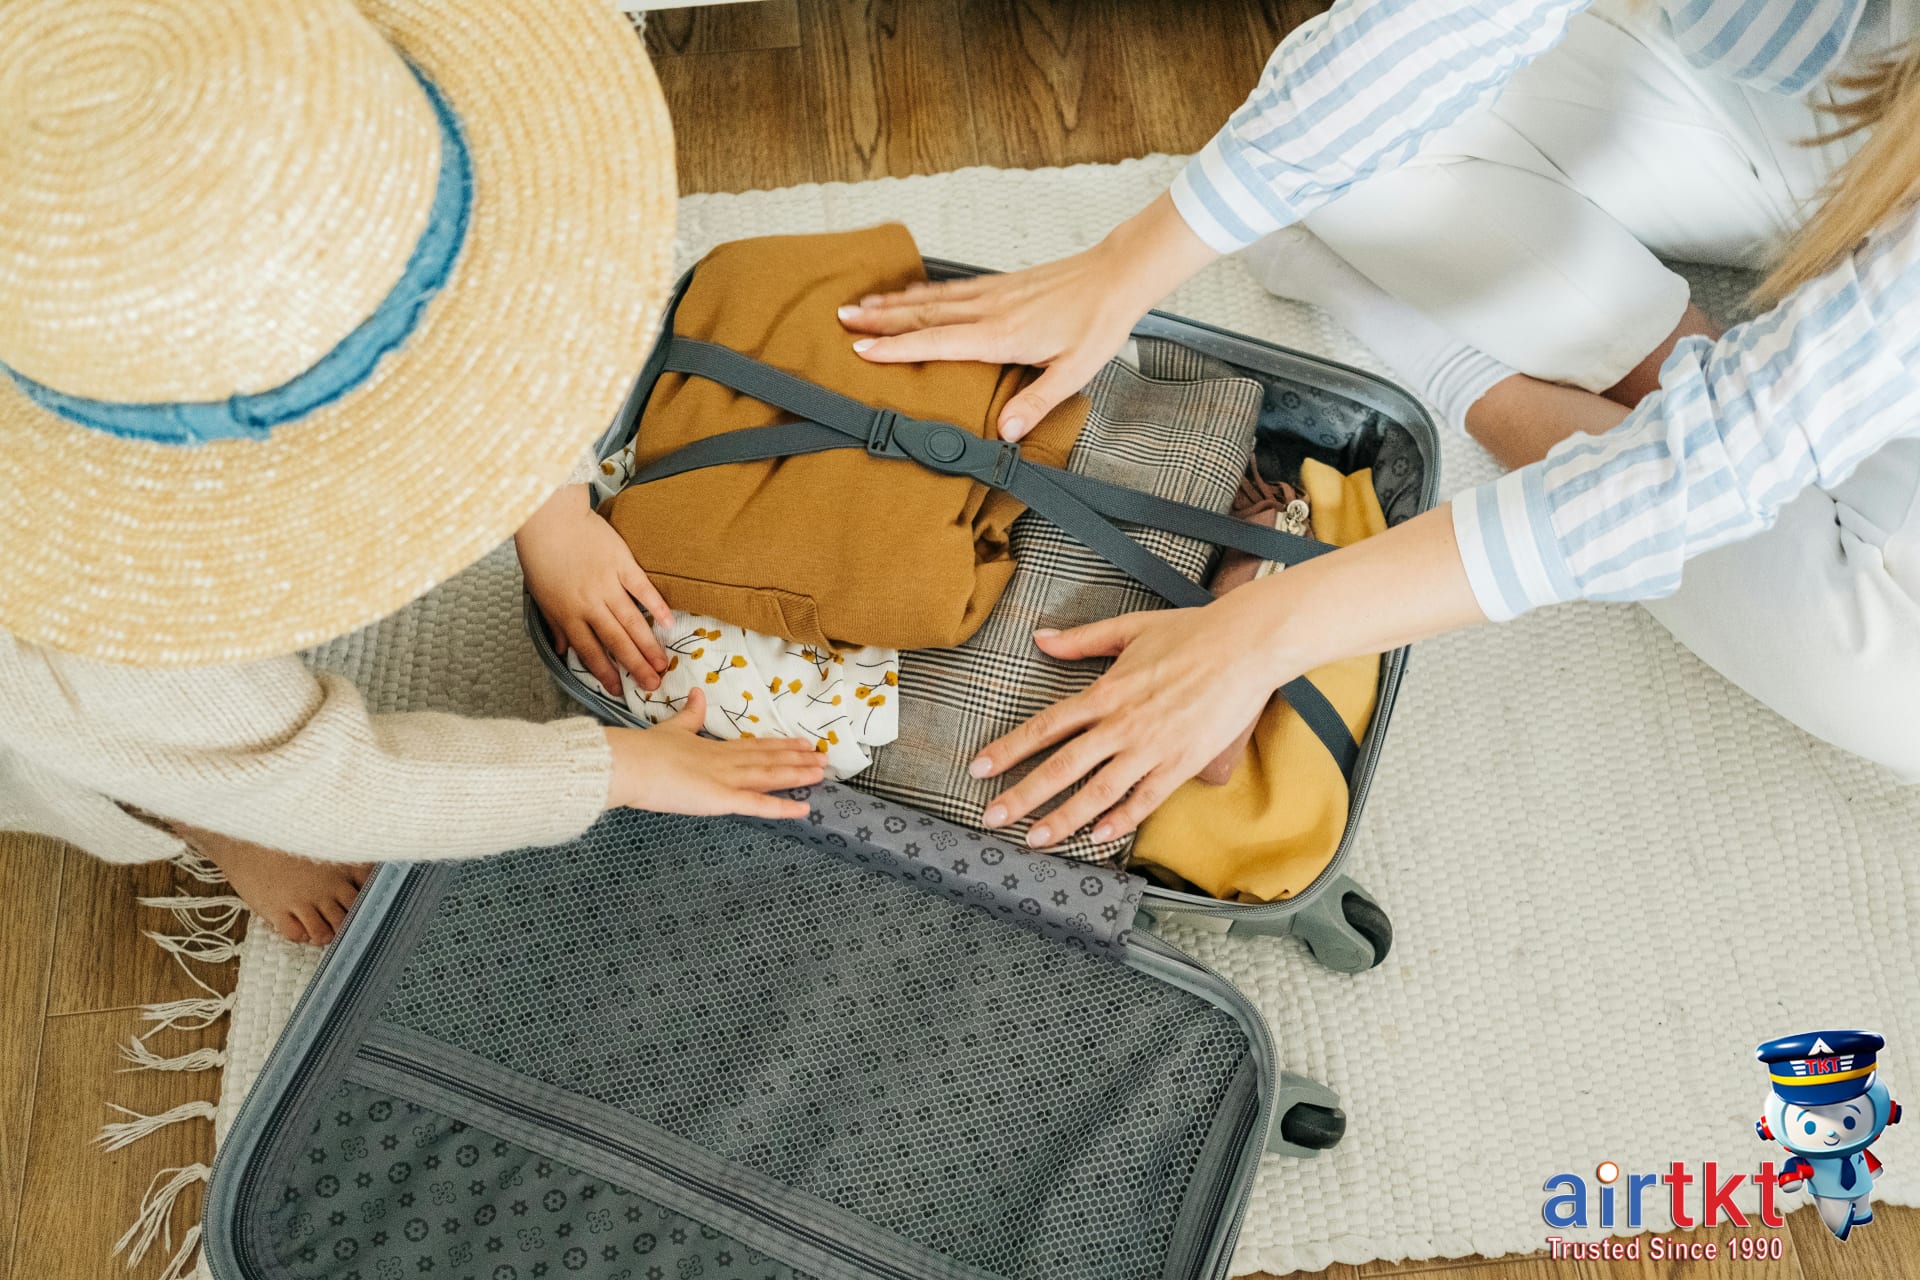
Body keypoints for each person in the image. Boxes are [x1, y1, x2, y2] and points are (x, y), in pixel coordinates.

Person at [841, 0, 1920, 849]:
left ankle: (1442, 353)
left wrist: (1267, 628)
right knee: (1354, 155)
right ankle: (1710, 384)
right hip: (1819, 100)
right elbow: (1444, 20)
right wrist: (1129, 259)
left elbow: (1715, 459)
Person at [0, 0, 823, 946]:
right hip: (60, 689)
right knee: (177, 761)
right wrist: (623, 769)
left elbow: (506, 320)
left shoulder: (171, 76)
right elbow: (328, 783)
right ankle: (198, 816)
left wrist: (548, 502)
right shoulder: (107, 624)